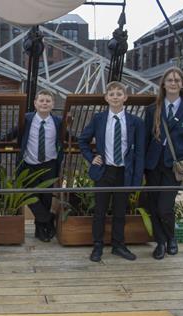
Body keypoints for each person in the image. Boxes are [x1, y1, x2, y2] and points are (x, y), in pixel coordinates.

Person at [78, 81, 145, 262]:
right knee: (99, 211)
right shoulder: (98, 119)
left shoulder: (135, 122)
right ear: (106, 98)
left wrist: (136, 180)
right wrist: (92, 157)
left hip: (124, 173)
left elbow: (139, 153)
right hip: (104, 171)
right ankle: (97, 245)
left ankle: (118, 245)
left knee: (120, 211)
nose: (115, 97)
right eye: (112, 94)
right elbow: (82, 140)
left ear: (125, 97)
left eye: (119, 93)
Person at [145, 66, 183, 260]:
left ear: (182, 84)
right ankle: (160, 242)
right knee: (153, 205)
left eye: (177, 80)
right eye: (170, 80)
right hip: (152, 164)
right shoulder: (152, 109)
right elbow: (145, 139)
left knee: (164, 207)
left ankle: (171, 238)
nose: (173, 83)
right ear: (163, 84)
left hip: (174, 166)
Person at [1, 89, 63, 242]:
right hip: (28, 164)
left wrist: (85, 142)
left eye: (48, 101)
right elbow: (12, 133)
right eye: (41, 100)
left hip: (49, 164)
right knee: (30, 195)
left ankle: (40, 230)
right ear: (35, 103)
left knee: (45, 198)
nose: (44, 103)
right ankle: (49, 218)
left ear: (53, 104)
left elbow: (68, 136)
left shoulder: (58, 121)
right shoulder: (27, 119)